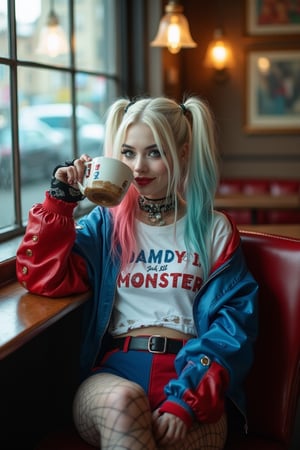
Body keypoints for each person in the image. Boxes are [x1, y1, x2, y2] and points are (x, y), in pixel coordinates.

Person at [16, 96, 258, 450]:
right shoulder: (105, 224)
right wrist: (61, 200)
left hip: (191, 380)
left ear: (184, 152)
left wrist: (185, 402)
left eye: (155, 152)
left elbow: (232, 328)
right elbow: (44, 278)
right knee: (123, 405)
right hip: (113, 378)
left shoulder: (214, 230)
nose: (139, 167)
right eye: (128, 153)